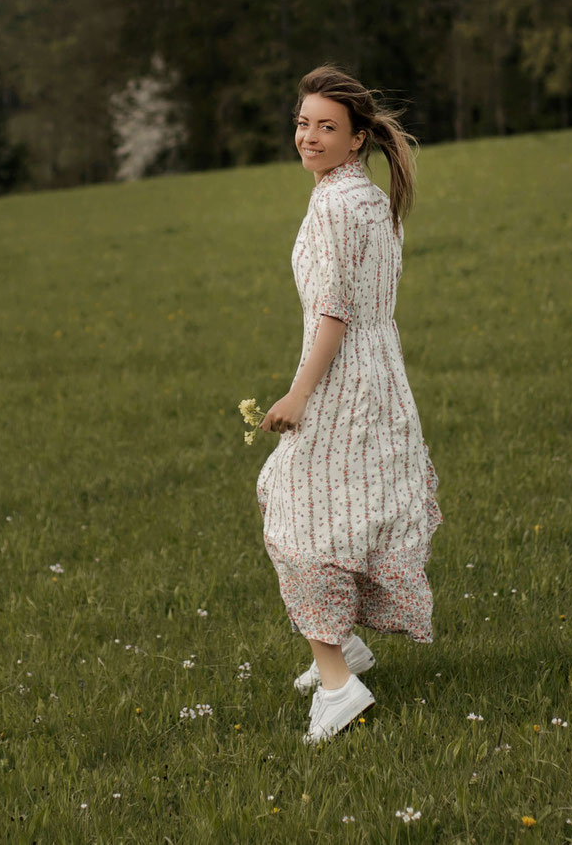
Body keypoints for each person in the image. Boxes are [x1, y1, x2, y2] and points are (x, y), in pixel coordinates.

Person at [256, 64, 442, 745]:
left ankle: (338, 684)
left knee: (301, 522)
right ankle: (342, 651)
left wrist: (299, 394)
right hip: (380, 378)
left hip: (341, 383)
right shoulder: (367, 197)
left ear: (356, 138)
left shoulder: (335, 205)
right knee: (335, 512)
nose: (309, 137)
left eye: (326, 128)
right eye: (304, 123)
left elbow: (333, 312)